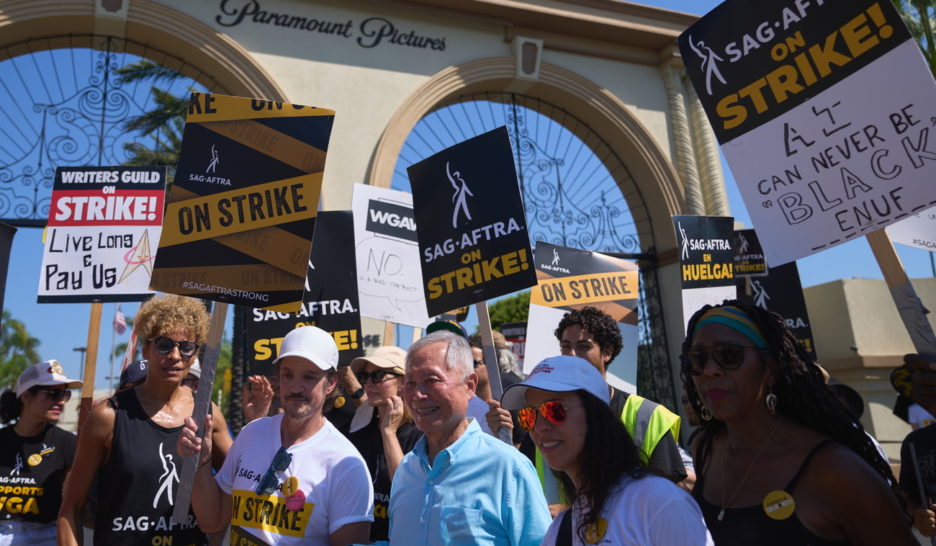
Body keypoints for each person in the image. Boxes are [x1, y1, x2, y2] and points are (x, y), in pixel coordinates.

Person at [683, 300, 914, 545]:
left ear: (770, 369)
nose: (709, 370)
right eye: (697, 359)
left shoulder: (834, 470)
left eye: (729, 355)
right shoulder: (705, 450)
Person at [57, 294, 229, 546]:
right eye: (163, 344)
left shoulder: (208, 414)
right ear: (145, 349)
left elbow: (244, 479)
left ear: (195, 356)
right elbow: (70, 509)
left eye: (186, 347)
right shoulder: (109, 416)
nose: (174, 355)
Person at [177, 326, 374, 545]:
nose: (296, 387)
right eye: (287, 374)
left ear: (331, 383)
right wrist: (201, 461)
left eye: (309, 377)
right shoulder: (251, 433)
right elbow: (212, 522)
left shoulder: (346, 465)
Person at [501, 355, 713, 545]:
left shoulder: (657, 502)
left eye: (554, 410)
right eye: (528, 416)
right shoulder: (560, 531)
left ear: (596, 415)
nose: (539, 427)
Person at [487, 306, 686, 498]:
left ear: (607, 352)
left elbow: (666, 496)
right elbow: (522, 484)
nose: (542, 426)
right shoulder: (540, 426)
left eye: (584, 346)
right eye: (566, 346)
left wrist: (577, 511)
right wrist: (503, 438)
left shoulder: (650, 416)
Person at [388, 331, 550, 545]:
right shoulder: (407, 469)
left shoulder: (508, 467)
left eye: (431, 380)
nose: (418, 394)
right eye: (410, 383)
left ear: (469, 385)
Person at [0, 360, 80, 544]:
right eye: (53, 394)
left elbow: (74, 506)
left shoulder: (67, 443)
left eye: (65, 394)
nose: (61, 401)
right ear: (27, 397)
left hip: (47, 537)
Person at [347, 345, 421, 544]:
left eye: (378, 375)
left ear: (403, 381)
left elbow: (405, 489)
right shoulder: (359, 429)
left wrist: (388, 432)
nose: (368, 383)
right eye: (364, 376)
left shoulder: (421, 433)